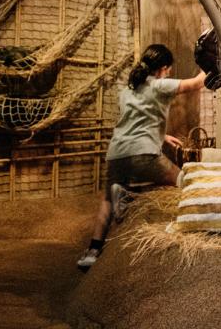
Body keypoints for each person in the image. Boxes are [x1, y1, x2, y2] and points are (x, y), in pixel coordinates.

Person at [77, 44, 206, 270]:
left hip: (117, 153)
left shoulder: (128, 90)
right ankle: (133, 196)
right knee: (184, 182)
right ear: (163, 68)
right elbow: (196, 83)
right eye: (168, 70)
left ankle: (92, 251)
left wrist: (163, 136)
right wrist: (212, 62)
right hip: (143, 153)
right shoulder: (160, 85)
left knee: (107, 201)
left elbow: (135, 120)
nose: (168, 74)